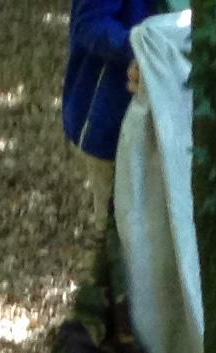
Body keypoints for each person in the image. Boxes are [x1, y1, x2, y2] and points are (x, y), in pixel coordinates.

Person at [61, 0, 158, 202]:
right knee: (117, 213)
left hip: (177, 121)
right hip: (112, 120)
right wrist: (141, 51)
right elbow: (91, 22)